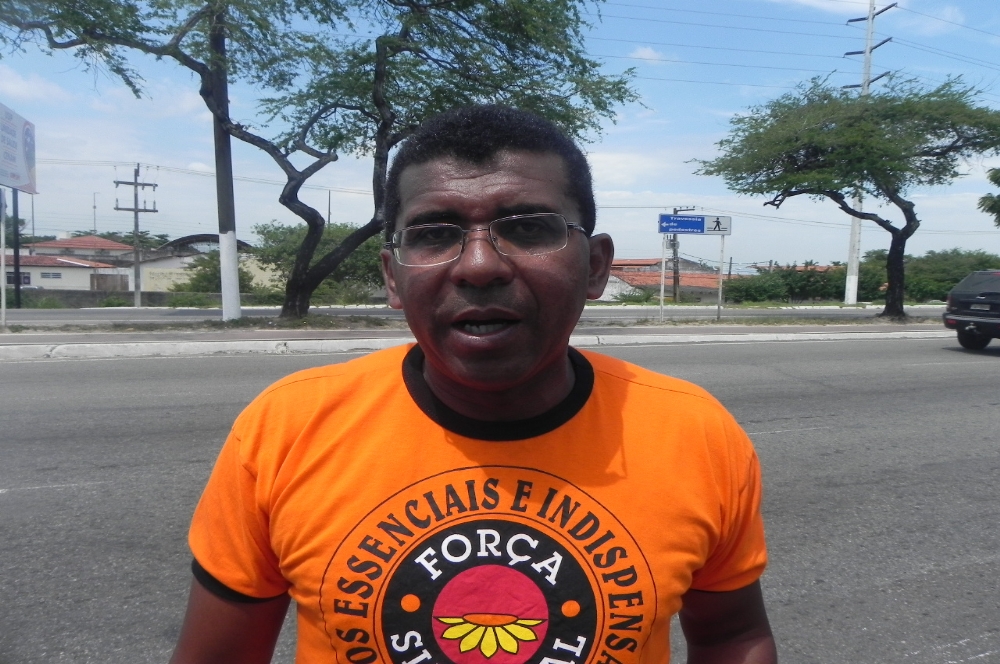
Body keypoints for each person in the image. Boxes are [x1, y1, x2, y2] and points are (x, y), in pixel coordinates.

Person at [170, 105, 776, 664]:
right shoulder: (287, 427)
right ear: (393, 277)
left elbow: (731, 636)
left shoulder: (695, 432)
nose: (480, 266)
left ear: (594, 267)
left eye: (528, 228)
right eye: (434, 233)